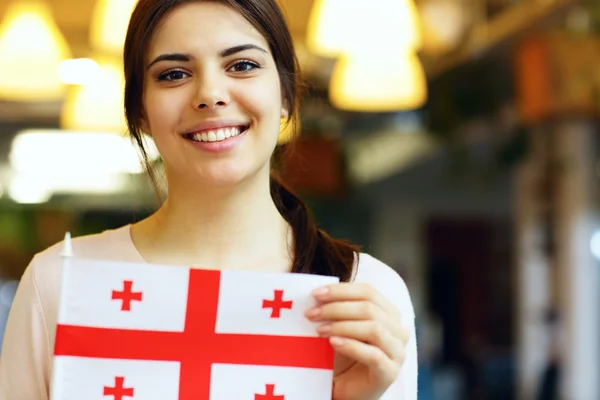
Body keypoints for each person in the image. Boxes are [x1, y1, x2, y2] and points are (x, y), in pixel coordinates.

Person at [0, 0, 418, 398]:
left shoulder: (364, 295)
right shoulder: (59, 283)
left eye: (242, 65)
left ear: (286, 94)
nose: (210, 94)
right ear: (140, 110)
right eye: (173, 74)